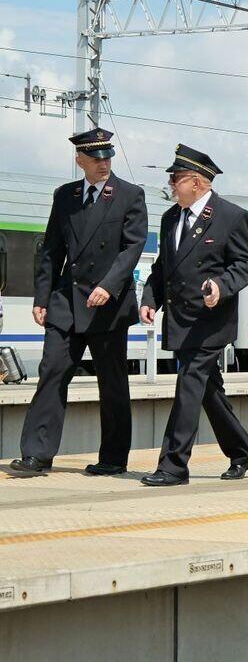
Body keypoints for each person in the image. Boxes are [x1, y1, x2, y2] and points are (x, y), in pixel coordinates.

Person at [9, 129, 146, 477]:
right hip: (66, 303)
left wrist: (109, 285)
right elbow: (52, 250)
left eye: (107, 157)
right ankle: (36, 455)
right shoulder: (65, 196)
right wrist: (42, 297)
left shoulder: (130, 195)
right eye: (96, 158)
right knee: (51, 374)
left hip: (108, 306)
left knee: (112, 383)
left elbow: (132, 248)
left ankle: (113, 458)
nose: (104, 164)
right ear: (80, 160)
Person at [139, 145, 248, 486]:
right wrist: (150, 298)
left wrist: (221, 285)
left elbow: (245, 265)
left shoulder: (231, 216)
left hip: (210, 322)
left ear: (196, 182)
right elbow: (164, 267)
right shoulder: (170, 218)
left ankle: (173, 465)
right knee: (208, 391)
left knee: (188, 385)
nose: (170, 185)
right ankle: (242, 453)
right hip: (180, 320)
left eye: (175, 179)